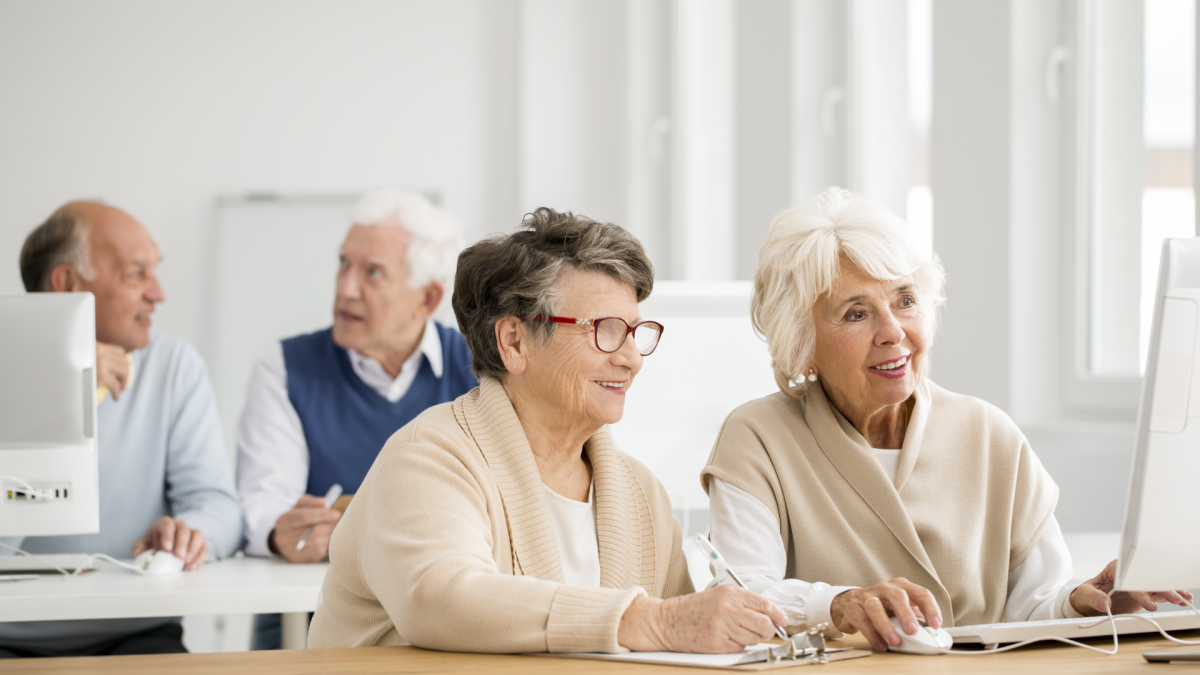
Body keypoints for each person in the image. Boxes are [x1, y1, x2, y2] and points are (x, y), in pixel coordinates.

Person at [701, 187, 1194, 654]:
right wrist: (838, 605)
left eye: (905, 300)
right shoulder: (756, 439)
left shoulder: (988, 434)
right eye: (856, 313)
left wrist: (1084, 601)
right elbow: (745, 598)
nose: (893, 332)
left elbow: (1033, 607)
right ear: (802, 345)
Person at [308, 208, 787, 653]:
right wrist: (649, 622)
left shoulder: (641, 494)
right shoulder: (426, 456)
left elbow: (682, 639)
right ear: (514, 341)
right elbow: (441, 598)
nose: (631, 358)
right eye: (604, 329)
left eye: (635, 332)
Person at [235, 189, 477, 648]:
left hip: (440, 613)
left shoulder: (480, 368)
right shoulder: (285, 366)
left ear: (426, 299)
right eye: (344, 264)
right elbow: (263, 502)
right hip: (309, 613)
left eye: (372, 273)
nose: (346, 287)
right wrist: (279, 532)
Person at [0, 201, 242, 658]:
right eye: (136, 274)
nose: (159, 293)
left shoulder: (173, 368)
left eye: (155, 272)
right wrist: (57, 392)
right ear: (67, 284)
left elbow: (219, 506)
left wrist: (188, 533)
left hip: (136, 636)